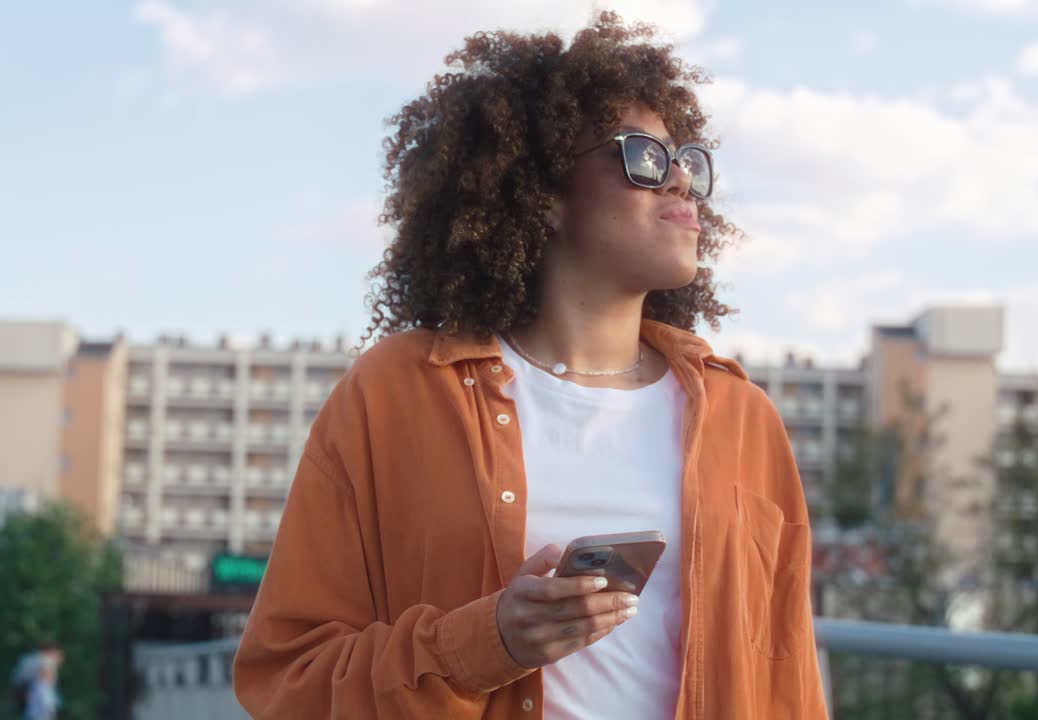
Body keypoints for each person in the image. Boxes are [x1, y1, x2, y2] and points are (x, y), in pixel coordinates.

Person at [233, 12, 826, 719]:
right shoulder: (393, 393)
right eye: (644, 156)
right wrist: (487, 644)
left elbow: (788, 681)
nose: (682, 185)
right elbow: (286, 677)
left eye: (689, 161)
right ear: (542, 194)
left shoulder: (743, 421)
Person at [13, 642, 63, 719]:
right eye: (59, 655)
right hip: (33, 693)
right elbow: (46, 678)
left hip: (21, 691)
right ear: (52, 651)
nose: (60, 658)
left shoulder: (29, 657)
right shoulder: (46, 660)